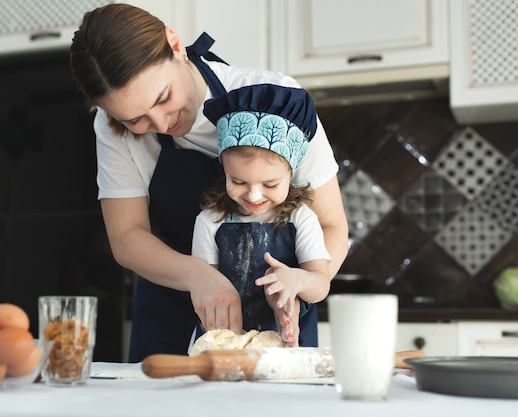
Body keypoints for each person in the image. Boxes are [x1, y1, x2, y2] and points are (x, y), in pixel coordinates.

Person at [69, 3, 349, 362]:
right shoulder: (112, 129)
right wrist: (197, 275)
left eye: (164, 97)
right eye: (136, 118)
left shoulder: (276, 99)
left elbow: (331, 225)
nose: (160, 121)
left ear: (175, 44)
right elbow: (126, 237)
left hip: (280, 323)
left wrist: (304, 285)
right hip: (172, 316)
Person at [192, 84, 332, 347]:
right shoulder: (210, 221)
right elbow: (205, 286)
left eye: (270, 185)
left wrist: (297, 280)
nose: (254, 196)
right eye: (238, 181)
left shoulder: (301, 219)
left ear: (291, 175)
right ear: (223, 169)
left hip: (284, 343)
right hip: (223, 341)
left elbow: (321, 285)